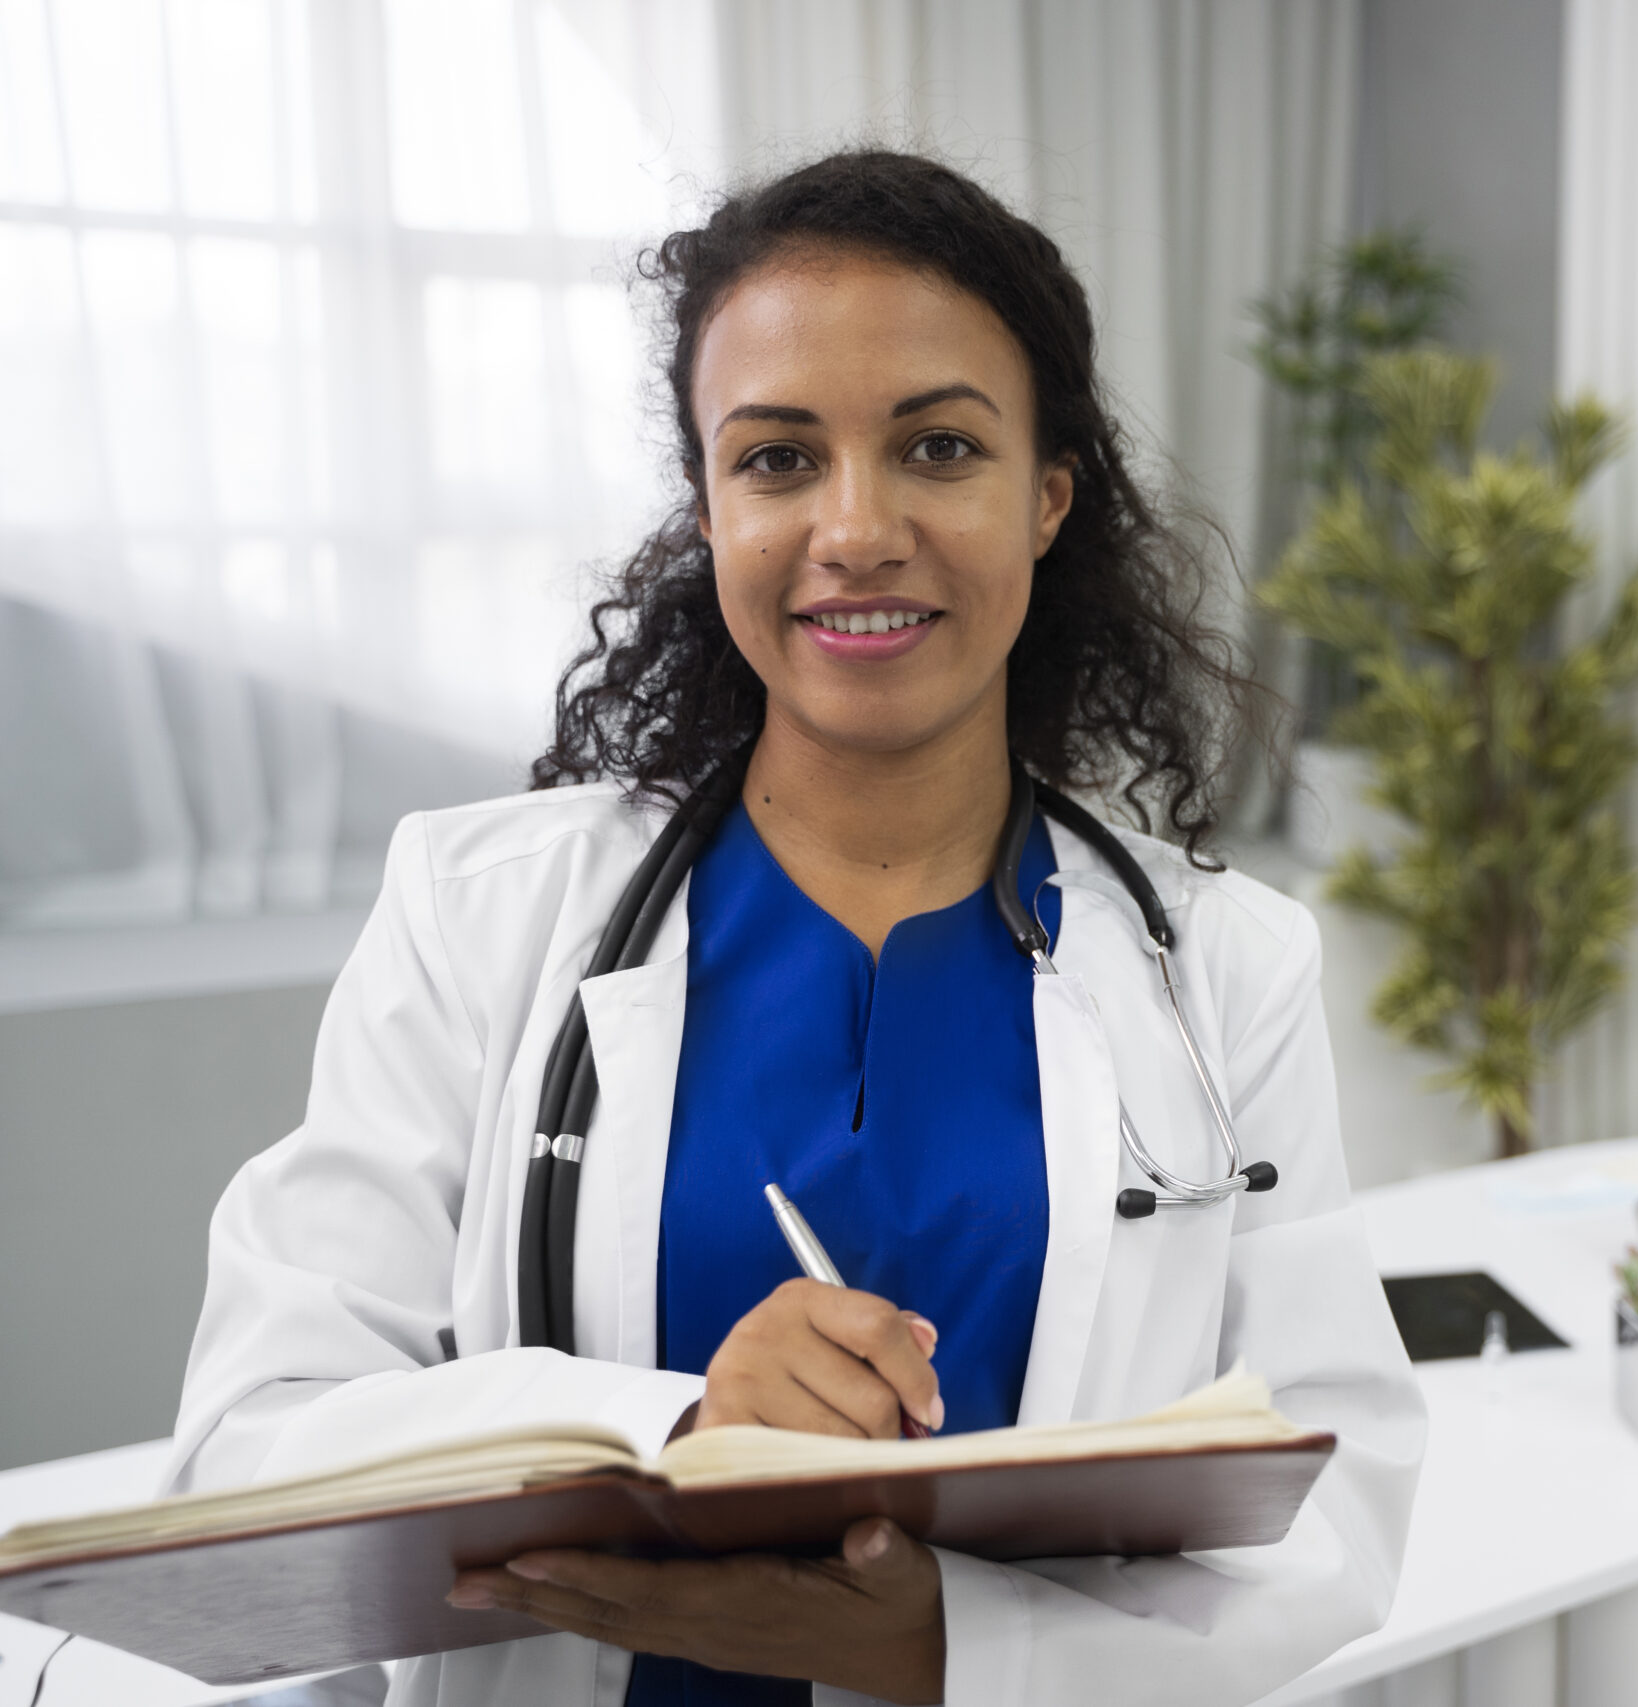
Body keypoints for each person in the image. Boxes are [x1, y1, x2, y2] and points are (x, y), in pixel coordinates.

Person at [164, 150, 1425, 1707]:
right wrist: (670, 1431)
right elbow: (255, 1442)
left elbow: (1338, 1496)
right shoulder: (480, 917)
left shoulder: (1224, 969)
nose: (857, 527)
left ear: (1047, 499)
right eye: (777, 460)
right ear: (708, 507)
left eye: (939, 447)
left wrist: (946, 1647)